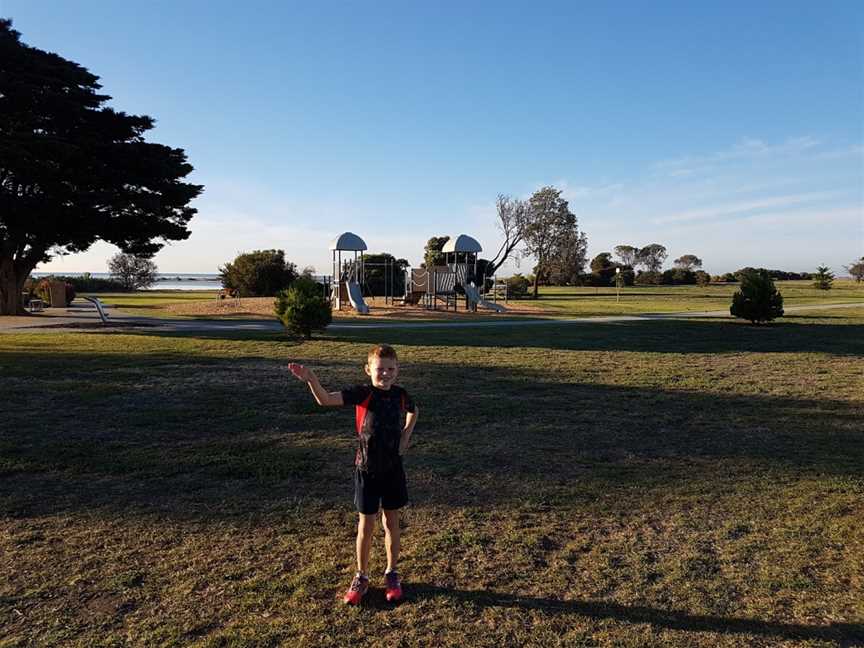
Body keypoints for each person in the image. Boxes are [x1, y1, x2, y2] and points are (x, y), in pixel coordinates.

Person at [288, 344, 419, 605]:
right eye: (380, 369)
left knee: (391, 522)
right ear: (368, 369)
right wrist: (311, 379)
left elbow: (415, 411)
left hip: (393, 470)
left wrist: (406, 436)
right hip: (367, 470)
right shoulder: (363, 394)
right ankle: (361, 577)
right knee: (367, 525)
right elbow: (324, 400)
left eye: (391, 369)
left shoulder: (402, 395)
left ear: (398, 370)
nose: (385, 374)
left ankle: (392, 574)